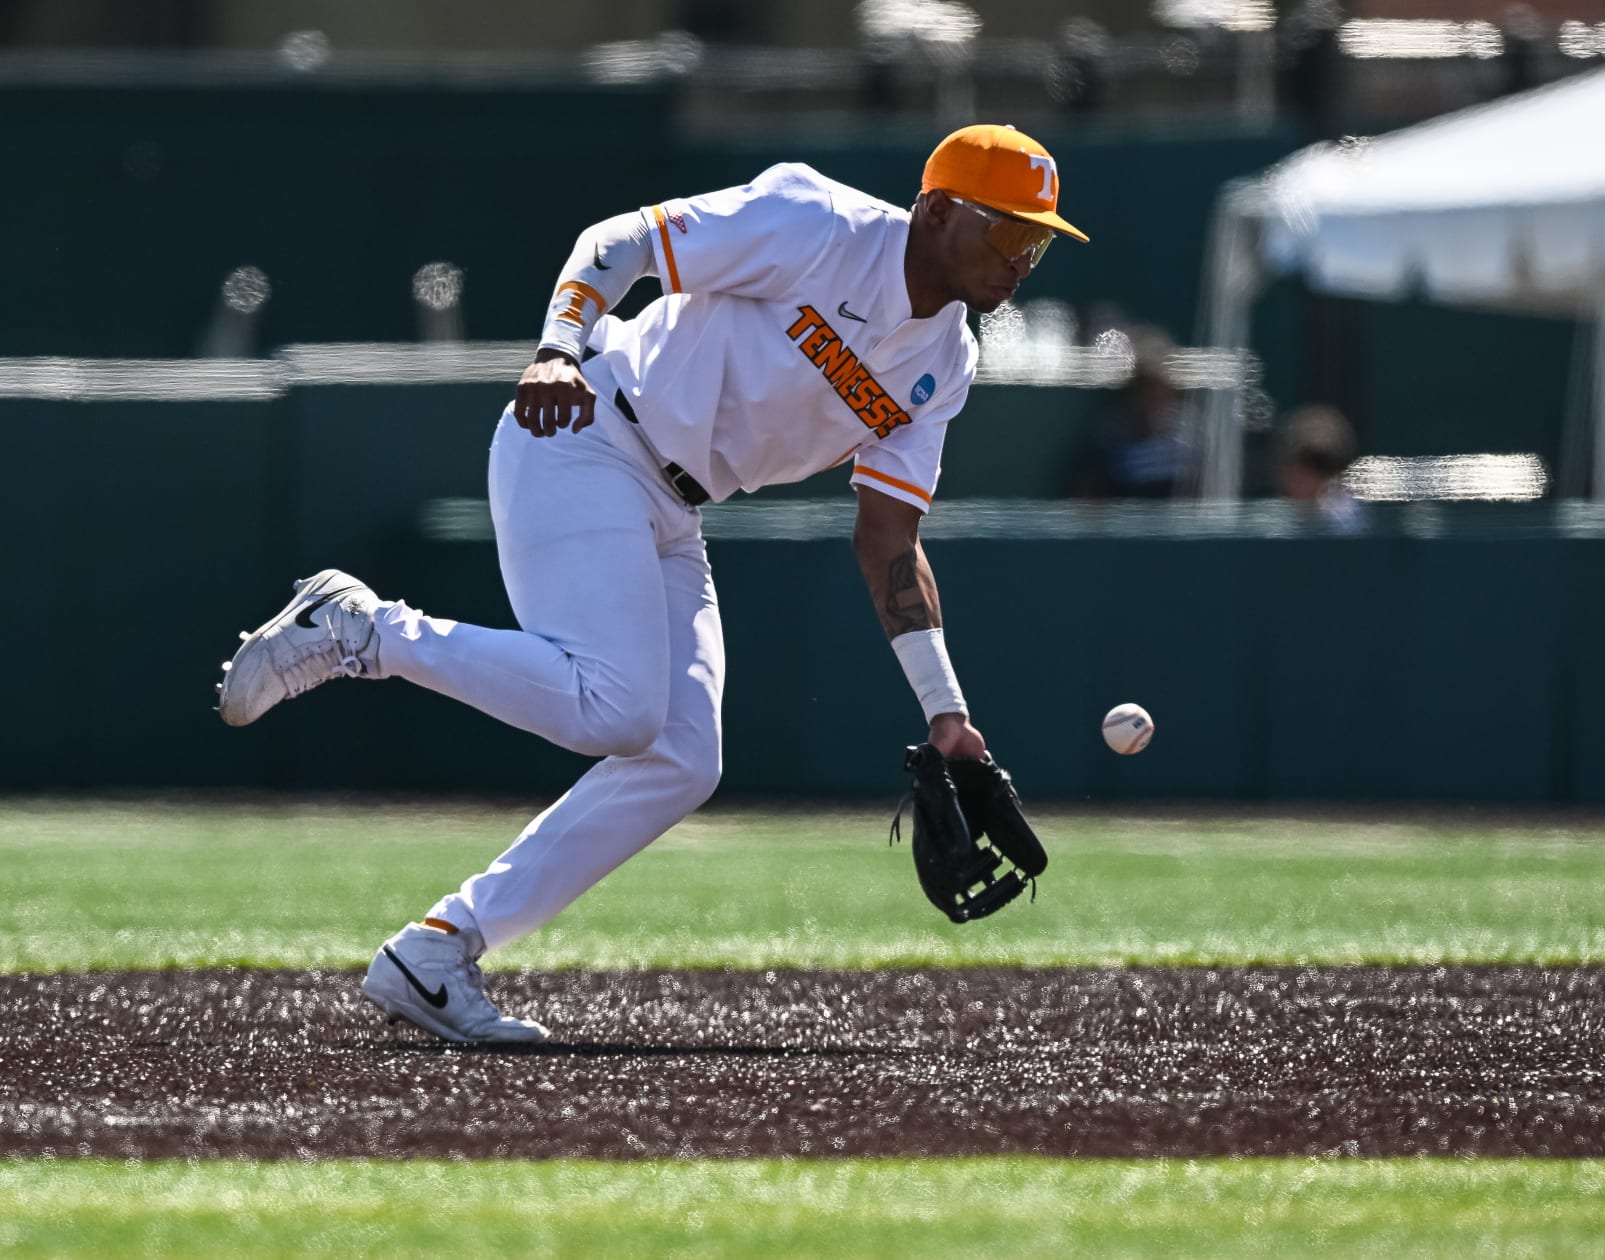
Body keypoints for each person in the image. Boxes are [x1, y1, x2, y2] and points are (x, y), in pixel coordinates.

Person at [215, 124, 1088, 1043]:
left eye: (1036, 240)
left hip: (673, 505)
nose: (1023, 258)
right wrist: (558, 344)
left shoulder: (946, 361)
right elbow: (618, 241)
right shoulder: (816, 223)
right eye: (1009, 232)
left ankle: (438, 950)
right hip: (587, 427)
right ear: (941, 211)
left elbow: (888, 539)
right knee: (622, 711)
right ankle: (363, 629)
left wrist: (945, 712)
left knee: (682, 756)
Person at [1070, 326, 1193, 499]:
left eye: (1159, 385)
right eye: (1145, 385)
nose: (1153, 394)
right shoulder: (1109, 436)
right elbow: (1091, 497)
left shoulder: (1193, 434)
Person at [1274, 403, 1363, 532]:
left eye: (1323, 465)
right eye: (1306, 462)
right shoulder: (1273, 524)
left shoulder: (1352, 526)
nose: (1313, 477)